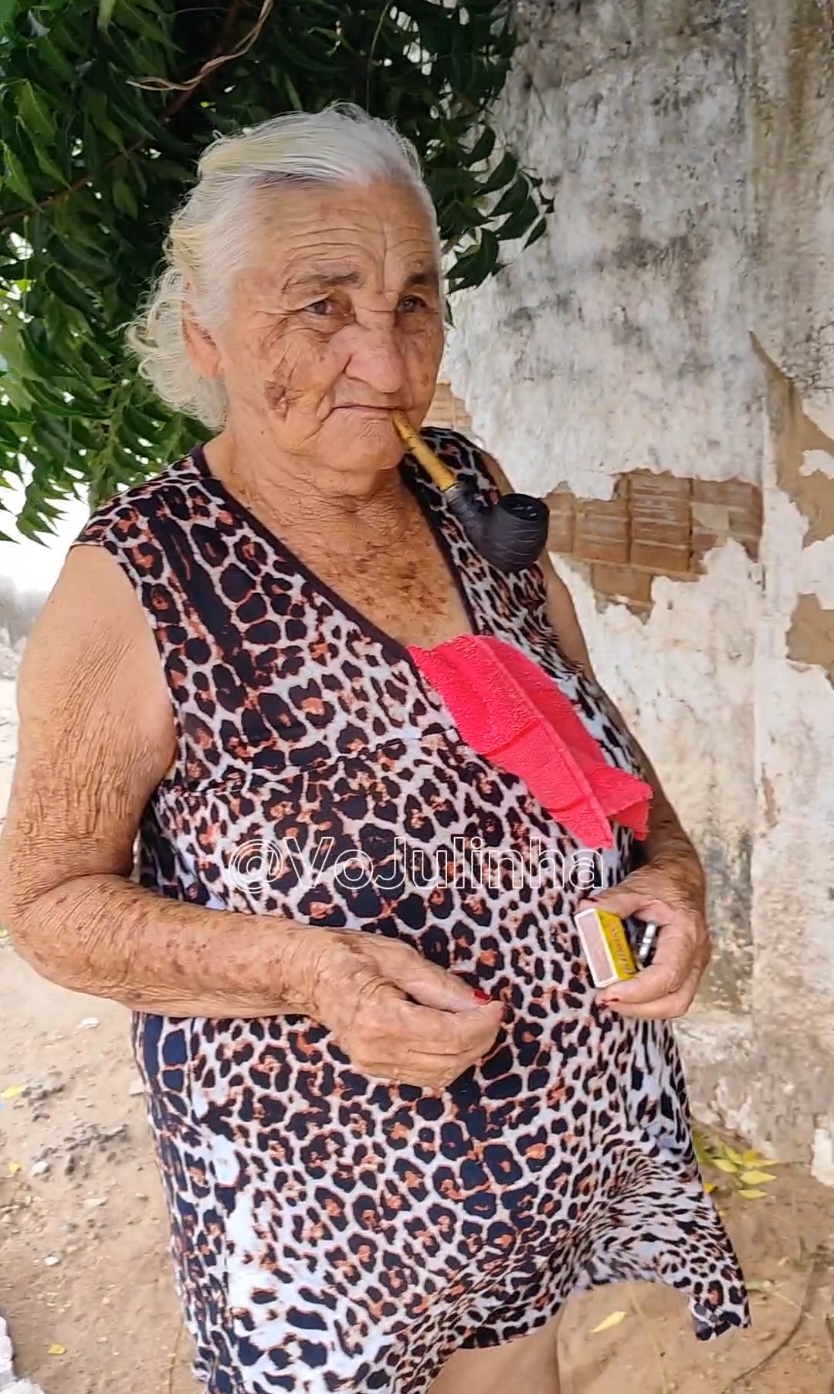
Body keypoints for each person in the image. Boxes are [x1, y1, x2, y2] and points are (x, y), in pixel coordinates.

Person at [0, 104, 748, 1394]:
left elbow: (591, 733)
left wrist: (671, 872)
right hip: (330, 1202)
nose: (391, 366)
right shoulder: (139, 580)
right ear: (205, 334)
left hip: (548, 1138)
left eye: (414, 303)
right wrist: (312, 971)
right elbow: (47, 905)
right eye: (322, 307)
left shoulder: (465, 491)